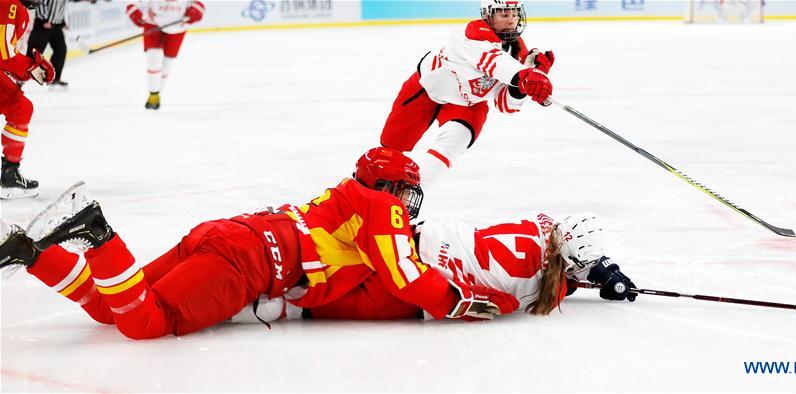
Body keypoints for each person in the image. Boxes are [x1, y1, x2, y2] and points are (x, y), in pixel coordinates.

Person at [0, 147, 521, 339]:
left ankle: (34, 254)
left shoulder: (350, 193)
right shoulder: (380, 207)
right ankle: (97, 232)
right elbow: (403, 275)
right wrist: (455, 301)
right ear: (388, 188)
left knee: (111, 310)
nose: (410, 202)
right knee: (145, 323)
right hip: (246, 261)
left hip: (227, 233)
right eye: (406, 190)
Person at [233, 212, 637, 323]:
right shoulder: (532, 289)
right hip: (426, 280)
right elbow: (524, 295)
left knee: (333, 259)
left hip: (416, 234)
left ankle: (266, 255)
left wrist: (601, 269)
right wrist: (601, 275)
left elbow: (562, 251)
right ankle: (260, 305)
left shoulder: (541, 225)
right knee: (326, 302)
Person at [380, 0, 555, 190]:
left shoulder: (517, 51)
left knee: (450, 147)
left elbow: (506, 105)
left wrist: (524, 85)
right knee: (389, 151)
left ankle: (405, 200)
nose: (511, 21)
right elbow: (493, 62)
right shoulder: (471, 34)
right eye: (504, 15)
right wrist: (524, 75)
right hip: (426, 90)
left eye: (514, 14)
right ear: (488, 15)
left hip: (469, 105)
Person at [1, 0, 56, 199]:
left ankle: (9, 175)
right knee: (19, 108)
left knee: (20, 108)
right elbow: (4, 53)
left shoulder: (16, 7)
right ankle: (8, 177)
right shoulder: (9, 4)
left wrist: (29, 69)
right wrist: (31, 67)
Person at [125, 0, 205, 110]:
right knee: (153, 58)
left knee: (167, 64)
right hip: (153, 23)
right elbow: (132, 2)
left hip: (178, 26)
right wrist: (133, 10)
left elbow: (199, 3)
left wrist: (196, 10)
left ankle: (157, 94)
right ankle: (154, 95)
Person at [26, 0, 68, 88]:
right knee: (32, 54)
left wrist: (61, 20)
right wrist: (48, 20)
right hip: (43, 24)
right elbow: (40, 2)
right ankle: (18, 80)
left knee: (61, 50)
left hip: (56, 25)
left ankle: (55, 79)